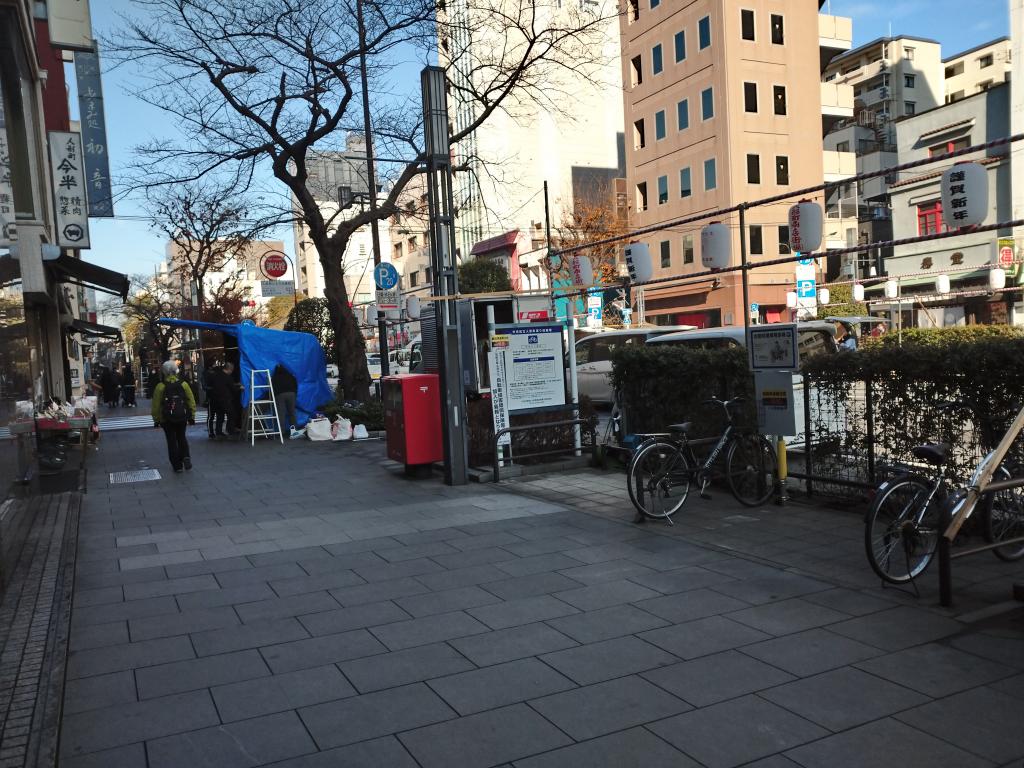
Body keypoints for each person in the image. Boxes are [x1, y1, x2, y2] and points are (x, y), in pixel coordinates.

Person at [151, 360, 196, 473]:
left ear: (164, 372)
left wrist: (156, 420)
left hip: (167, 418)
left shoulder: (160, 386)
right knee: (181, 437)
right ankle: (185, 456)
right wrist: (192, 416)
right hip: (182, 416)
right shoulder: (183, 384)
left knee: (171, 440)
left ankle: (177, 466)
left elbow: (156, 405)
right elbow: (191, 401)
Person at [209, 361, 237, 438]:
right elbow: (233, 388)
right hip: (225, 399)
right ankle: (230, 430)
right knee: (231, 414)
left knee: (220, 416)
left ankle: (219, 432)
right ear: (230, 369)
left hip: (216, 399)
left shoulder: (216, 375)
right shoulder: (228, 377)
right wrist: (239, 387)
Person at [271, 363, 299, 437]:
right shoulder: (290, 375)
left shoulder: (274, 377)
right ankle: (294, 431)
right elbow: (295, 384)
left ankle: (282, 432)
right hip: (291, 394)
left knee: (281, 414)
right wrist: (294, 393)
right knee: (292, 413)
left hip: (280, 395)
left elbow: (272, 388)